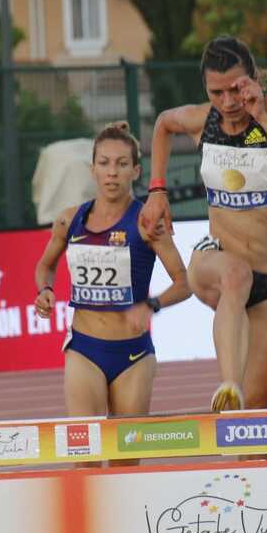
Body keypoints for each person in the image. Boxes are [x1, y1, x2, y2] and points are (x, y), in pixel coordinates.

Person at [139, 36, 267, 412]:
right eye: (216, 92)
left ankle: (246, 457)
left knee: (260, 416)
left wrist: (263, 116)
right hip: (216, 261)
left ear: (254, 80)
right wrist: (156, 190)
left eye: (236, 90)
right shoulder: (201, 120)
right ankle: (228, 385)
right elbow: (162, 124)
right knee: (236, 275)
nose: (227, 103)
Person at [34, 122, 190, 431]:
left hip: (133, 354)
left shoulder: (147, 221)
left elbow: (184, 282)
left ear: (135, 171)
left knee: (125, 460)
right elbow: (45, 266)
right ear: (92, 169)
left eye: (121, 164)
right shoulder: (70, 220)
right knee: (84, 454)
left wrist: (151, 305)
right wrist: (45, 289)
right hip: (84, 350)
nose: (112, 172)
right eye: (104, 163)